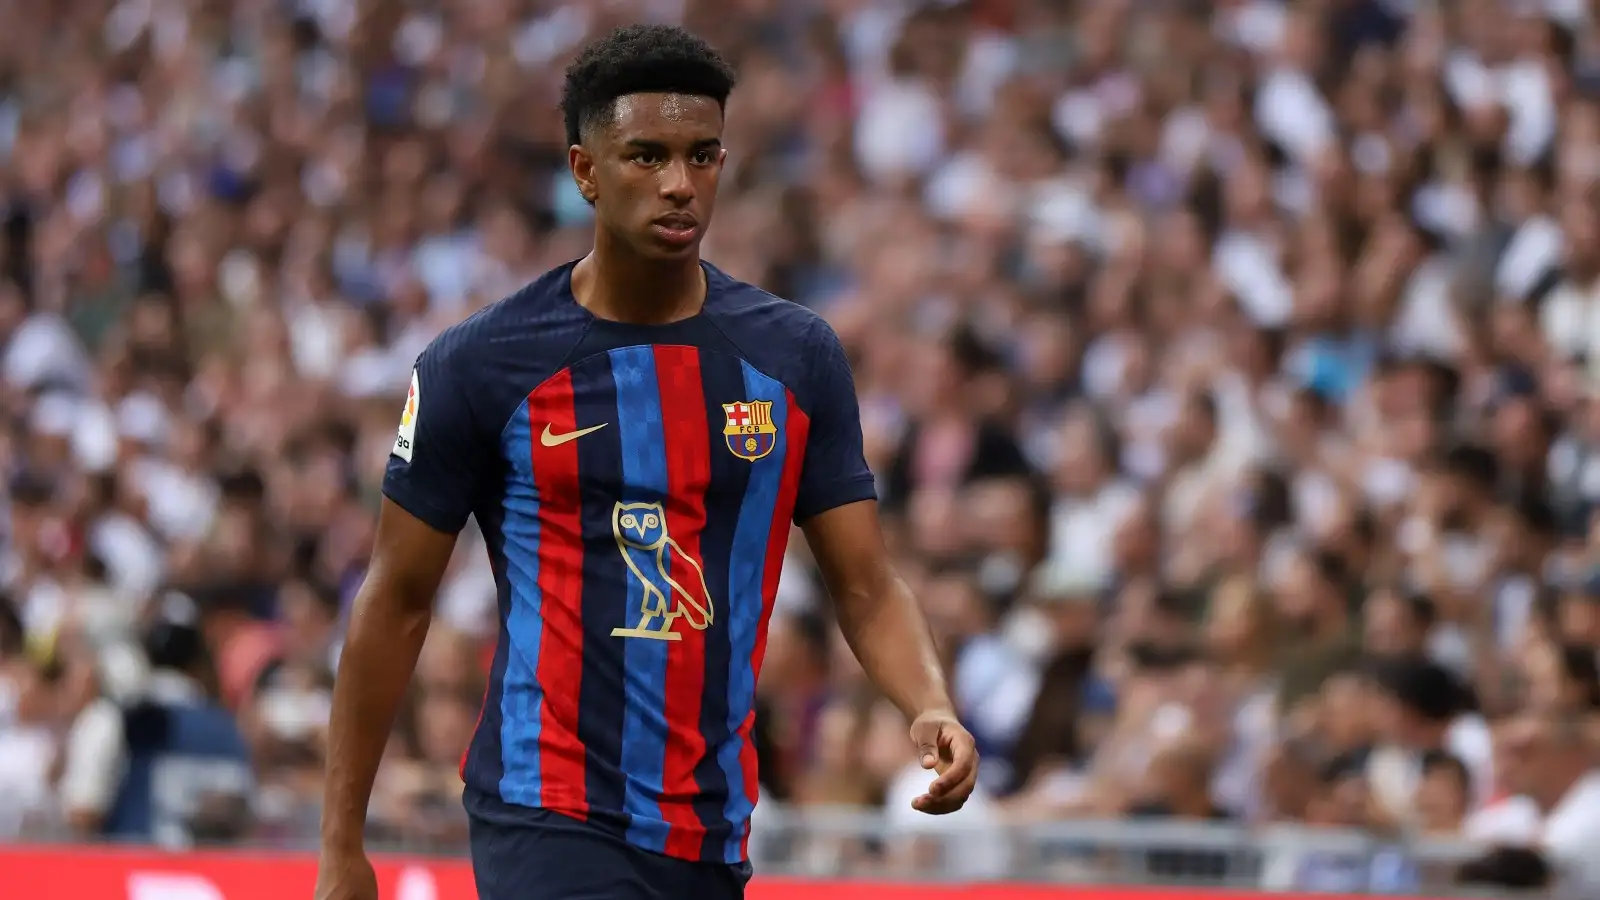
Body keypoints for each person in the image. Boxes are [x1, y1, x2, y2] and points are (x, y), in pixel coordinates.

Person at [315, 24, 978, 900]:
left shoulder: (796, 357)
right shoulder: (480, 366)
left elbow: (865, 582)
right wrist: (341, 844)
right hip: (546, 808)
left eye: (702, 156)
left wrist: (926, 701)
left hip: (711, 823)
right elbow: (395, 600)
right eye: (646, 157)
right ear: (585, 171)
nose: (679, 185)